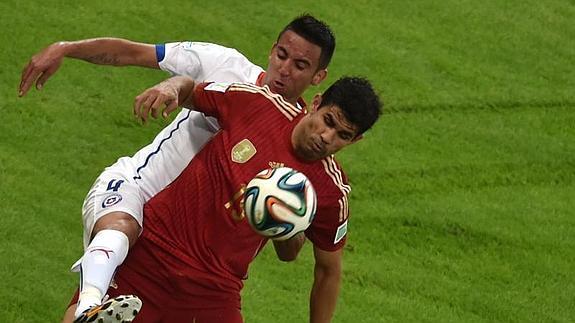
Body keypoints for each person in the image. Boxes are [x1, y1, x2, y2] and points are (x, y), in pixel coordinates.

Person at [19, 15, 342, 322]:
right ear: (272, 49)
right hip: (138, 192)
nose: (284, 70)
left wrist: (288, 221)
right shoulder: (225, 66)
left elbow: (295, 250)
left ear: (317, 77)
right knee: (120, 232)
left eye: (299, 66)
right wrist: (66, 48)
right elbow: (134, 53)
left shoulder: (305, 144)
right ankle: (90, 306)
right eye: (281, 55)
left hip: (202, 266)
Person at [68, 75, 382, 322]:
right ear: (315, 104)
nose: (327, 138)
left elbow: (324, 268)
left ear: (356, 140)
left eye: (343, 135)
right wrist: (171, 86)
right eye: (328, 121)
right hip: (152, 254)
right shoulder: (257, 105)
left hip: (214, 290)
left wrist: (284, 224)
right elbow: (192, 90)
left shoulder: (330, 192)